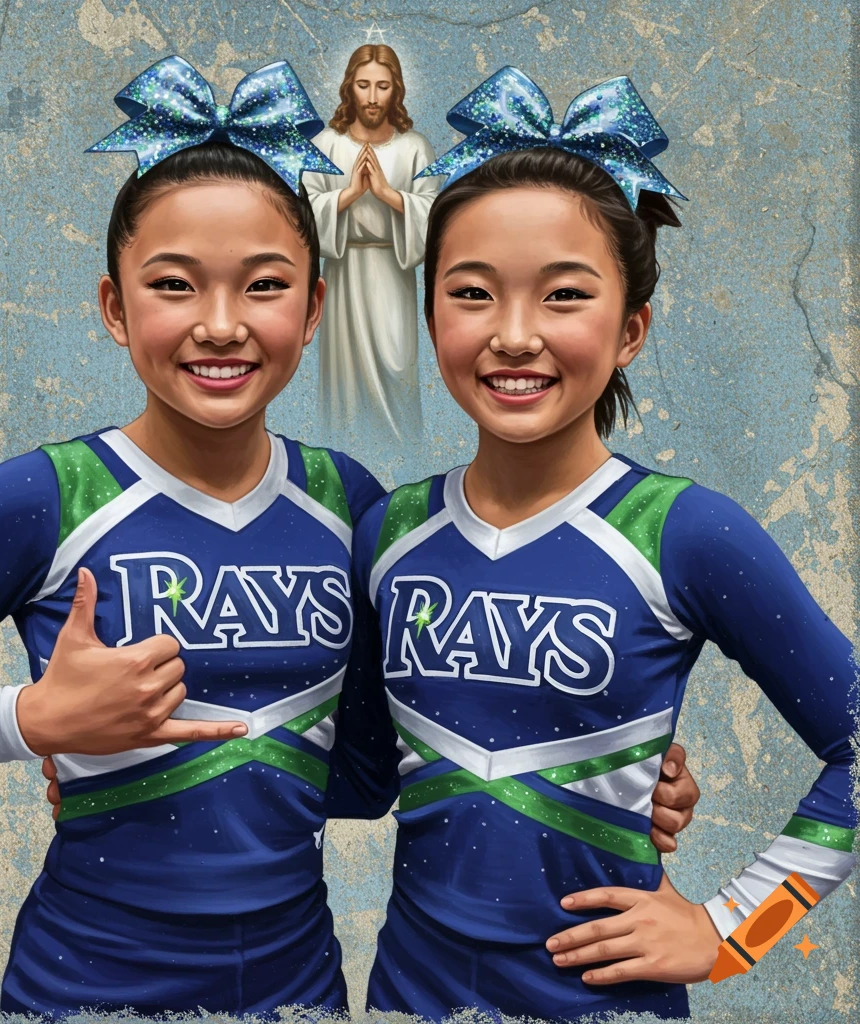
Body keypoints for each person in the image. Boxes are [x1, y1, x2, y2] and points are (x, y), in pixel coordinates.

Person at [0, 55, 701, 1021]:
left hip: (297, 991)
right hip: (84, 986)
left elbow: (371, 774)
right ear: (114, 307)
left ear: (314, 305)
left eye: (263, 285)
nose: (219, 325)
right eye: (172, 284)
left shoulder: (354, 507)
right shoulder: (44, 498)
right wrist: (29, 723)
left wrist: (605, 766)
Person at [341, 68, 857, 1022]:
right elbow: (363, 774)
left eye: (565, 296)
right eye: (472, 292)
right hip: (409, 993)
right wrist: (121, 755)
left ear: (631, 329)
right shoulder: (390, 529)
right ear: (430, 318)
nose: (514, 334)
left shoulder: (687, 532)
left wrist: (739, 930)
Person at [303, 44, 439, 441]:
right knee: (344, 379)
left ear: (396, 89)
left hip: (393, 273)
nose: (374, 97)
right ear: (350, 88)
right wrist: (347, 194)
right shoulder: (327, 145)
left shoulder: (415, 147)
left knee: (396, 368)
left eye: (383, 86)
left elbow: (435, 216)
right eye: (364, 85)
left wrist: (386, 193)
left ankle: (401, 453)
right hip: (343, 273)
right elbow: (303, 212)